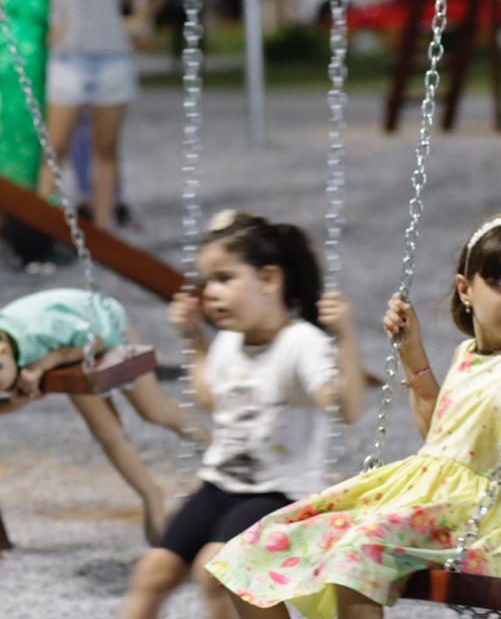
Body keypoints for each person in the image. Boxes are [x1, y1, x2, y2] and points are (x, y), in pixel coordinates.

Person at [206, 214, 501, 619]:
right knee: (249, 552)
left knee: (355, 553)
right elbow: (441, 439)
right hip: (423, 498)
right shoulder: (467, 355)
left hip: (479, 516)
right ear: (465, 289)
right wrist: (411, 352)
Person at [120, 211, 365, 619]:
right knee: (152, 572)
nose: (210, 293)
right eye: (207, 282)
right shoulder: (229, 341)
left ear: (269, 279)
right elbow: (212, 399)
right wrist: (193, 337)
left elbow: (347, 408)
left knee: (217, 572)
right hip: (220, 483)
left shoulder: (302, 343)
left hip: (281, 494)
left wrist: (346, 337)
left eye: (224, 279)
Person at [0, 287, 202, 546]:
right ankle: (150, 494)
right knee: (107, 434)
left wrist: (42, 366)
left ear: (1, 351)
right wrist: (16, 399)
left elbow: (97, 340)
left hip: (100, 325)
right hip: (66, 352)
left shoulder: (37, 332)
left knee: (152, 410)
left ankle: (213, 446)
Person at [42, 0, 167, 230]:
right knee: (55, 149)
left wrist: (141, 18)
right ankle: (41, 230)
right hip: (68, 63)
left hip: (112, 62)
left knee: (106, 148)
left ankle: (102, 230)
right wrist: (48, 30)